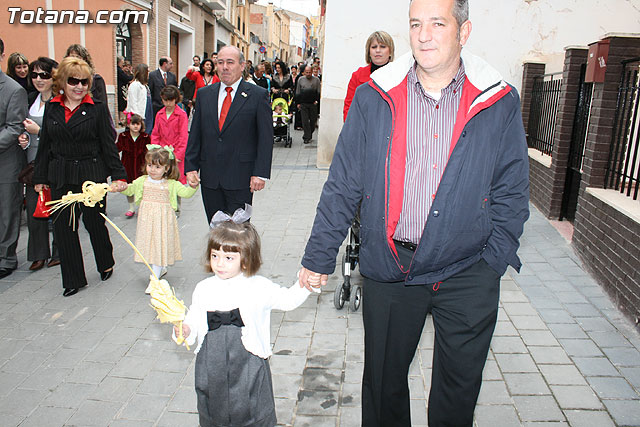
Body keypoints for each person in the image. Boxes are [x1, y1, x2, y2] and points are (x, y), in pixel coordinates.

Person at [298, 0, 531, 425]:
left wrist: (493, 260)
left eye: (438, 23)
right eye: (416, 23)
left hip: (468, 271)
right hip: (392, 268)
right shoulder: (376, 95)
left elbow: (512, 186)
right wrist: (318, 256)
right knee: (384, 387)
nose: (423, 34)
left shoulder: (498, 99)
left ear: (464, 31)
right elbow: (345, 181)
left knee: (458, 394)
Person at [174, 214, 312, 427]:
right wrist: (186, 329)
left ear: (246, 259)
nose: (220, 263)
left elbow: (287, 300)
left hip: (248, 359)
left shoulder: (258, 286)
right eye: (215, 256)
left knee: (254, 407)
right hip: (212, 361)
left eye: (229, 258)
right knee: (212, 407)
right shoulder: (204, 288)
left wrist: (306, 283)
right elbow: (195, 314)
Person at [33, 57, 128, 297]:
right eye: (73, 81)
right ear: (62, 82)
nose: (79, 86)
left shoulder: (96, 108)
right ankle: (73, 279)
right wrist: (40, 177)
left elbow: (108, 145)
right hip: (61, 176)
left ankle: (105, 261)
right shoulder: (53, 107)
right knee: (64, 229)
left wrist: (118, 175)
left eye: (84, 81)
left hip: (91, 176)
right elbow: (45, 144)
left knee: (94, 222)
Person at [185, 46, 273, 223]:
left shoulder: (257, 95)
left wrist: (260, 173)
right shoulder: (204, 94)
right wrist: (191, 167)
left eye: (230, 62)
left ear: (242, 66)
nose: (224, 67)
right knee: (215, 230)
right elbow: (196, 133)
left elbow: (265, 137)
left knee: (239, 233)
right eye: (220, 62)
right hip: (210, 177)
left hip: (241, 177)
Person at [116, 146, 197, 281]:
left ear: (166, 168)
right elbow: (130, 190)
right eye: (150, 165)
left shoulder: (171, 184)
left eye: (157, 167)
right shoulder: (142, 181)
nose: (152, 170)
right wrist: (121, 188)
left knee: (159, 245)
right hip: (146, 221)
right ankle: (160, 269)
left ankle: (154, 279)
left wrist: (193, 187)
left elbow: (186, 193)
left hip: (163, 221)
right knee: (151, 246)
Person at [17, 56, 60, 271]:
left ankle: (59, 251)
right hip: (33, 164)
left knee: (57, 208)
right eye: (34, 75)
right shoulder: (28, 99)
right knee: (34, 209)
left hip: (55, 163)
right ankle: (38, 254)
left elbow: (63, 134)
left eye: (44, 75)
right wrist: (24, 138)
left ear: (54, 76)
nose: (38, 79)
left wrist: (39, 132)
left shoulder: (61, 101)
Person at [0, 38, 28, 280]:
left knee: (7, 213)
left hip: (6, 163)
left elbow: (13, 127)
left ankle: (7, 258)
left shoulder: (13, 90)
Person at [343, 30, 395, 122]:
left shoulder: (399, 76)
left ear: (390, 52)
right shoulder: (357, 76)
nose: (378, 50)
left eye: (383, 47)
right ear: (369, 52)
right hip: (363, 130)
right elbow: (349, 108)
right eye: (374, 47)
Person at [151, 85, 188, 184]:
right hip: (162, 153)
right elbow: (155, 134)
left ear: (175, 99)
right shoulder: (159, 114)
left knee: (175, 183)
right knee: (162, 182)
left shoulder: (181, 115)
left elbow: (183, 137)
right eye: (165, 100)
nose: (168, 103)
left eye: (170, 100)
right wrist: (156, 151)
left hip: (175, 154)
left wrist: (178, 155)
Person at [116, 113, 150, 217]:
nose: (135, 126)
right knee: (129, 187)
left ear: (141, 125)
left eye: (138, 124)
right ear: (128, 124)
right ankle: (131, 207)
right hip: (127, 165)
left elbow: (149, 151)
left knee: (142, 187)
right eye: (133, 124)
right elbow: (117, 148)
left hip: (141, 166)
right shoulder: (123, 136)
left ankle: (142, 207)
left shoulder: (146, 137)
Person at [148, 57, 177, 128]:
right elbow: (151, 91)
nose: (172, 65)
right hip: (157, 107)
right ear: (164, 64)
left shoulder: (172, 76)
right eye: (170, 63)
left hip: (169, 108)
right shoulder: (153, 75)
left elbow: (175, 91)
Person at [295, 65, 321, 144]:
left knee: (313, 121)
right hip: (303, 103)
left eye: (310, 72)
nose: (308, 74)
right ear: (304, 72)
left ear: (312, 72)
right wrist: (298, 102)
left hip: (313, 103)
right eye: (307, 72)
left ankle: (309, 133)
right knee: (305, 121)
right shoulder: (300, 79)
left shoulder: (316, 80)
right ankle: (306, 137)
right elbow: (297, 91)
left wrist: (317, 100)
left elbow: (318, 91)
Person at [126, 63, 153, 131]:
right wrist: (137, 119)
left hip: (147, 113)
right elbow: (133, 103)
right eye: (148, 72)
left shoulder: (145, 86)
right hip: (140, 115)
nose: (149, 74)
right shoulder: (134, 85)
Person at [117, 56, 133, 126]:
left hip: (124, 88)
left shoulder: (120, 70)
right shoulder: (119, 70)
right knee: (122, 104)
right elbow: (126, 78)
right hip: (122, 89)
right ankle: (122, 120)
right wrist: (132, 75)